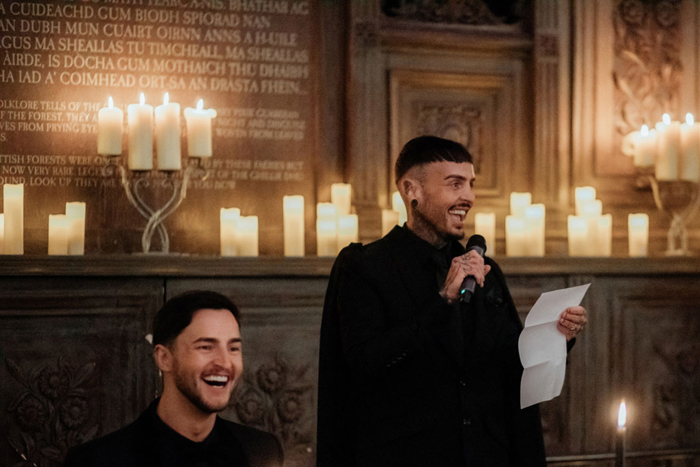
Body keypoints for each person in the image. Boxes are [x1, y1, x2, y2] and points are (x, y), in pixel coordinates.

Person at [317, 135, 587, 467]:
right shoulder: (365, 267)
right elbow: (364, 362)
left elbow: (511, 366)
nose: (469, 197)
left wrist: (557, 334)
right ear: (410, 190)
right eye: (455, 184)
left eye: (471, 185)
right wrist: (443, 300)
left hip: (487, 456)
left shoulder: (485, 270)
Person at [64, 290, 284, 467]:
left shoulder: (262, 451)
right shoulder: (95, 461)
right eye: (206, 347)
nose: (225, 363)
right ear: (164, 358)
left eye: (233, 348)